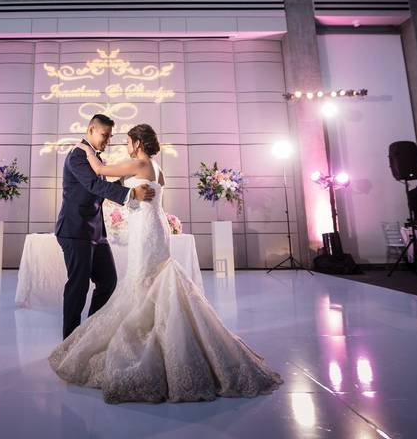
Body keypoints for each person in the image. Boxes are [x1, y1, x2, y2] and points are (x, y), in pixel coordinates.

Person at [50, 123, 282, 403]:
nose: (120, 144)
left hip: (145, 229)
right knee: (151, 279)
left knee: (142, 281)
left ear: (136, 143)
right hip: (154, 226)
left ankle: (127, 339)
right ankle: (101, 335)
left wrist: (85, 151)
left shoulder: (134, 163)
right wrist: (126, 191)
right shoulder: (156, 167)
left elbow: (99, 173)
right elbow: (121, 187)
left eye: (125, 141)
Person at [55, 114, 156, 340]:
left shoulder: (93, 156)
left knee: (108, 281)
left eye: (110, 137)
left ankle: (89, 333)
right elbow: (93, 185)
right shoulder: (78, 155)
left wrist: (126, 181)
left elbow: (100, 186)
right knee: (78, 287)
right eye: (105, 135)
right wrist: (130, 193)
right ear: (91, 129)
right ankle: (70, 341)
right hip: (75, 230)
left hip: (95, 231)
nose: (107, 141)